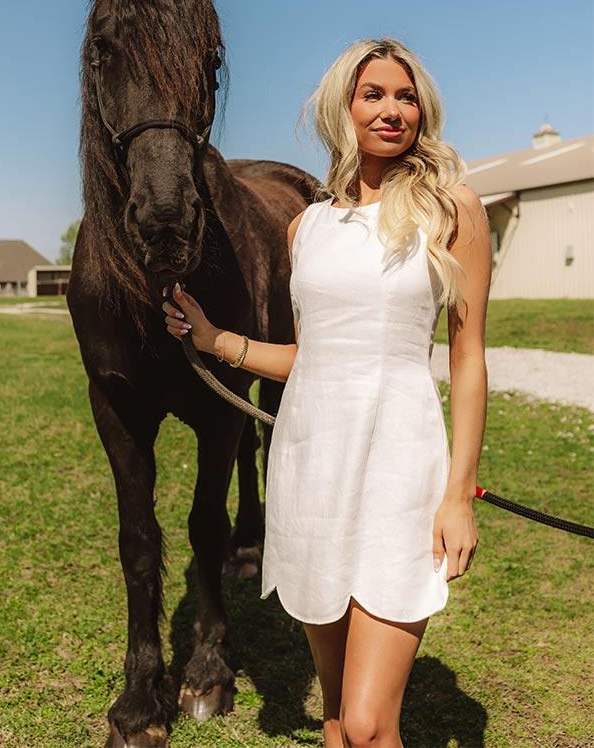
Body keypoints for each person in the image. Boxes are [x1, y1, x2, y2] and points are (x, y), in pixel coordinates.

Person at [162, 37, 492, 748]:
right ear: (344, 108)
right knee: (339, 722)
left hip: (401, 467)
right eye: (373, 94)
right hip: (310, 469)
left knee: (373, 727)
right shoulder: (305, 227)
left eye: (405, 96)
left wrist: (458, 492)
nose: (392, 110)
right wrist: (218, 340)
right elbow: (314, 359)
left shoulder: (454, 210)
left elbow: (468, 358)